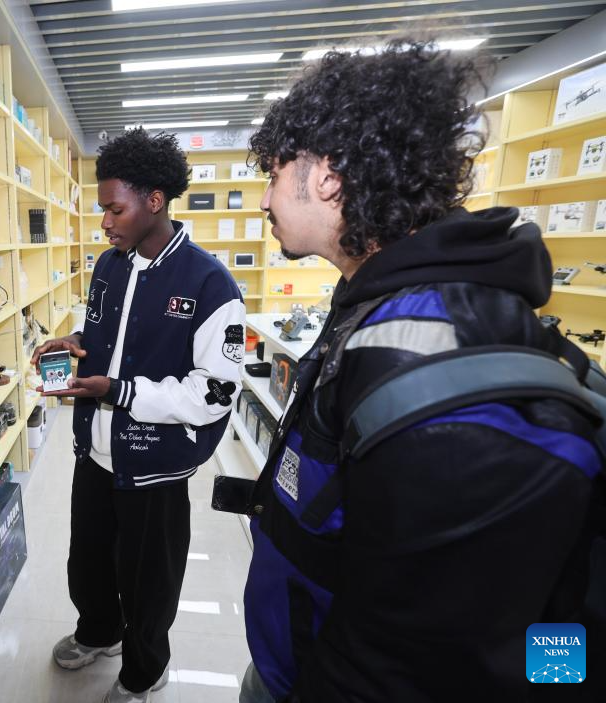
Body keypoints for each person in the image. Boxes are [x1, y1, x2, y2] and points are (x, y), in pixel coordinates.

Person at [239, 40, 604, 702]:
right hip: (294, 656)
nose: (264, 198)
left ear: (328, 175)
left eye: (274, 173)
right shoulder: (380, 304)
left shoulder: (440, 370)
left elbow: (415, 659)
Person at [31, 128, 246, 703]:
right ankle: (100, 631)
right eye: (102, 209)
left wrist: (120, 392)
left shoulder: (209, 283)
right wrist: (73, 342)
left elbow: (215, 392)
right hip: (95, 451)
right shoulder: (109, 265)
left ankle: (145, 670)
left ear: (155, 200)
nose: (105, 222)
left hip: (156, 465)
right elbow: (104, 336)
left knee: (149, 579)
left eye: (115, 209)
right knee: (88, 559)